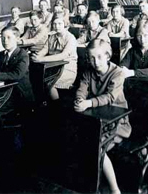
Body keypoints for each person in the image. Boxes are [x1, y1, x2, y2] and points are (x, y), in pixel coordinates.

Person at [74, 39, 131, 194]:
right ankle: (87, 184)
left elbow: (110, 97)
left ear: (108, 56)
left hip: (117, 122)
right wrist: (80, 99)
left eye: (99, 57)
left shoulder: (117, 73)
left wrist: (88, 103)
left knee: (97, 149)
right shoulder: (88, 71)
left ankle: (115, 189)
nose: (95, 62)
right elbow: (82, 88)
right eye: (92, 58)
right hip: (97, 118)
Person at [31, 15, 78, 101]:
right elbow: (45, 50)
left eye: (60, 23)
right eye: (54, 24)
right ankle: (43, 103)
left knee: (49, 82)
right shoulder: (52, 36)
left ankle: (56, 107)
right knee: (36, 77)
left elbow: (63, 56)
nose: (57, 26)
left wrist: (41, 59)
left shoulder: (70, 38)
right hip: (52, 67)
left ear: (65, 24)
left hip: (67, 68)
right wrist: (37, 56)